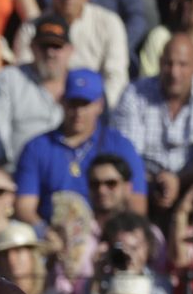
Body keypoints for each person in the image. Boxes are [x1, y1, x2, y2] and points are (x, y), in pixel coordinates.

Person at [110, 34, 193, 215]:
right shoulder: (134, 94)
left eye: (182, 65)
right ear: (160, 63)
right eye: (169, 63)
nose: (174, 72)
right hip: (143, 187)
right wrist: (156, 184)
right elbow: (127, 154)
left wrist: (177, 181)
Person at [14, 70, 147, 227]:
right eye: (73, 103)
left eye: (85, 104)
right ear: (62, 101)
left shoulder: (120, 146)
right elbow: (24, 206)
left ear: (100, 105)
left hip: (107, 233)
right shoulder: (37, 147)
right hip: (53, 233)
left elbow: (137, 203)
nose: (78, 112)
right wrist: (45, 233)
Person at [15, 0, 128, 106]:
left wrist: (98, 110)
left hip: (90, 108)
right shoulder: (31, 28)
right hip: (40, 107)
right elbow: (23, 75)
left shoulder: (109, 24)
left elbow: (116, 78)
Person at [0, 13, 73, 168]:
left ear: (70, 50)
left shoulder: (81, 85)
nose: (50, 53)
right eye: (44, 46)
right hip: (17, 174)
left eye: (57, 46)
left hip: (67, 174)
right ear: (32, 47)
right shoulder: (9, 79)